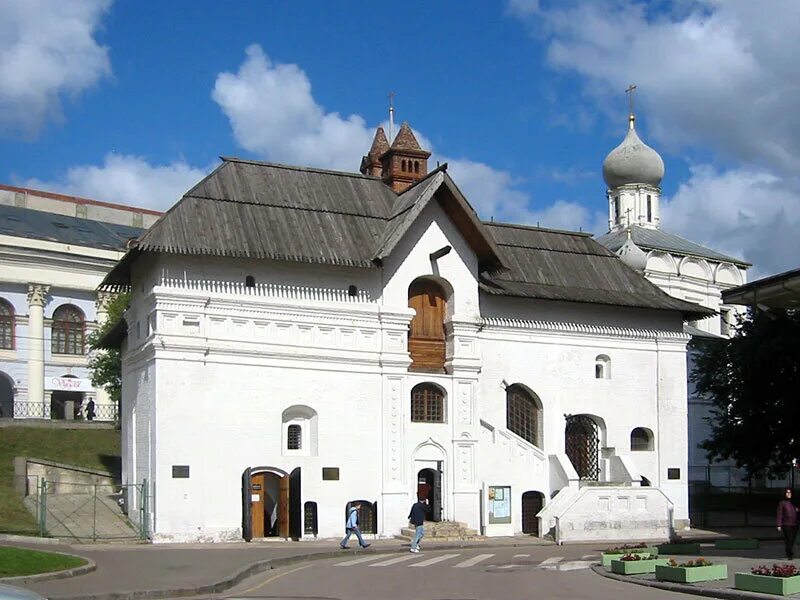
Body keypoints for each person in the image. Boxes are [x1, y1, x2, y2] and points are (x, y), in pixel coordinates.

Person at [777, 488, 799, 559]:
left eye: (790, 492)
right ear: (785, 493)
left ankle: (788, 550)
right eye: (787, 492)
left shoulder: (795, 502)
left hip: (795, 524)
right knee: (789, 538)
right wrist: (779, 524)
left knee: (792, 539)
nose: (788, 494)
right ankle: (789, 553)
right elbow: (780, 514)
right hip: (786, 524)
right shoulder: (782, 503)